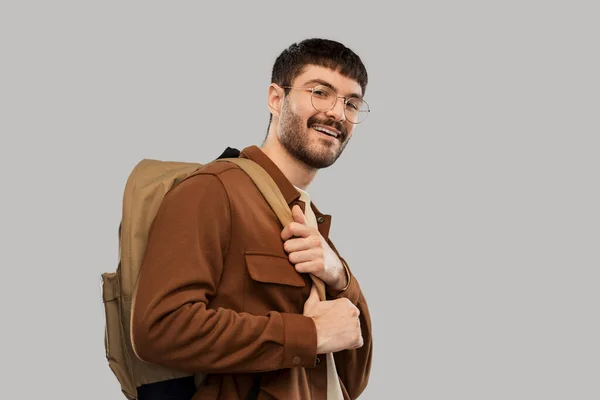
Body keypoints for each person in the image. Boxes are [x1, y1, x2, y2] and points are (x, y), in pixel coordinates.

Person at [131, 37, 373, 400]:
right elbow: (158, 329)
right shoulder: (214, 190)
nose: (338, 113)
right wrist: (309, 334)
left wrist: (339, 275)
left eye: (351, 103)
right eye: (320, 92)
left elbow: (354, 377)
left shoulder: (308, 219)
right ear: (277, 99)